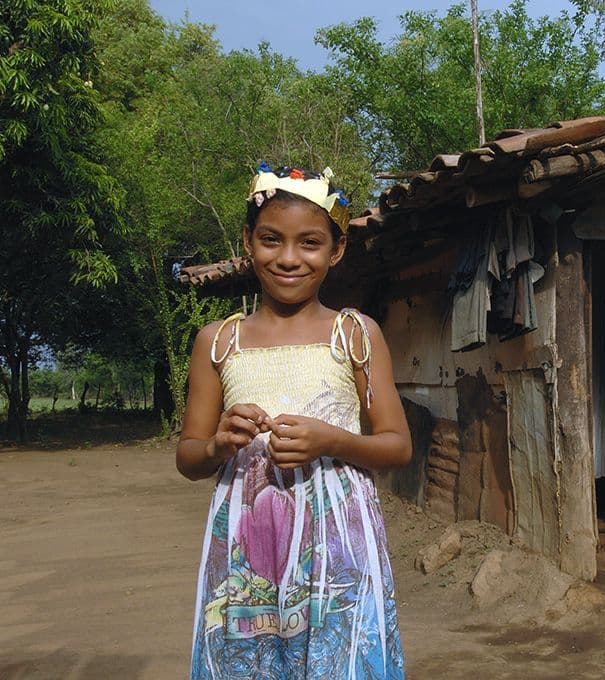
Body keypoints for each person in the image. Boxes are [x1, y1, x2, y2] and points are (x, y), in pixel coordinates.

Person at [176, 162, 411, 679]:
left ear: (336, 249)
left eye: (309, 243)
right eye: (270, 240)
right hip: (246, 546)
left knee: (338, 660)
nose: (288, 258)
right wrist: (219, 445)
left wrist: (331, 440)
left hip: (339, 545)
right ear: (248, 241)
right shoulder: (217, 342)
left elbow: (397, 447)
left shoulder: (356, 334)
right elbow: (189, 458)